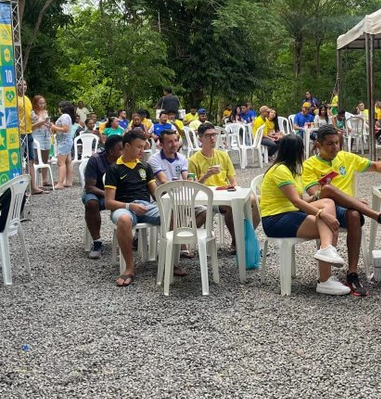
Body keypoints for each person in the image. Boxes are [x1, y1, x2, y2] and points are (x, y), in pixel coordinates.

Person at [302, 125, 381, 297]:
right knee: (328, 191)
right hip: (325, 209)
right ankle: (378, 217)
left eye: (337, 143)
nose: (335, 147)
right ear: (318, 145)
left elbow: (376, 166)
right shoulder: (309, 165)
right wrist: (349, 200)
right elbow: (316, 195)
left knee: (354, 214)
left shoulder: (346, 157)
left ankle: (352, 273)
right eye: (330, 144)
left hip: (348, 210)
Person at [260, 134, 348, 295]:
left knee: (328, 203)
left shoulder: (293, 170)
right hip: (275, 219)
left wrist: (319, 194)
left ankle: (326, 249)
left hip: (290, 213)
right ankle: (325, 279)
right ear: (297, 151)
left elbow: (303, 200)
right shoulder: (280, 170)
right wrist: (322, 214)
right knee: (329, 223)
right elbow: (296, 202)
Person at [104, 130, 180, 287]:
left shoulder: (144, 167)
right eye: (138, 147)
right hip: (123, 207)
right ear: (127, 146)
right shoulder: (114, 169)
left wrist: (172, 192)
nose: (142, 150)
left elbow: (155, 193)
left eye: (143, 147)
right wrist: (129, 206)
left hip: (146, 206)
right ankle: (129, 268)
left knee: (173, 214)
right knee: (124, 219)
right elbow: (109, 202)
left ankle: (169, 262)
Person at [189, 123, 259, 252]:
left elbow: (233, 180)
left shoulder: (223, 155)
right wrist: (206, 175)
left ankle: (245, 237)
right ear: (200, 139)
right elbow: (193, 187)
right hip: (207, 197)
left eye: (214, 135)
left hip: (224, 191)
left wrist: (233, 187)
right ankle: (237, 242)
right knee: (230, 207)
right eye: (208, 136)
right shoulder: (194, 160)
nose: (212, 139)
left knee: (257, 200)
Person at [84, 135, 123, 259]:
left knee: (139, 198)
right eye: (121, 149)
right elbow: (90, 187)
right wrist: (107, 195)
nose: (124, 152)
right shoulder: (95, 160)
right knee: (91, 203)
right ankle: (97, 242)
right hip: (98, 193)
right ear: (111, 151)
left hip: (119, 193)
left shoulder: (126, 160)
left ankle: (137, 237)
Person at [16, 79, 41, 194]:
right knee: (20, 161)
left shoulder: (27, 99)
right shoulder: (14, 98)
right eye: (20, 84)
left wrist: (36, 118)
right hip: (19, 134)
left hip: (29, 132)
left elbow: (30, 114)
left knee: (31, 160)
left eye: (25, 84)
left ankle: (33, 186)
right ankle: (21, 188)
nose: (23, 87)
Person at [31, 95, 53, 190]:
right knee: (36, 158)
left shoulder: (45, 112)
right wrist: (40, 123)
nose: (42, 105)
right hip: (37, 134)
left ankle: (45, 179)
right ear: (36, 103)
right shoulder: (33, 113)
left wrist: (49, 124)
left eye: (43, 103)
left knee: (45, 158)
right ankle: (37, 181)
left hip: (46, 134)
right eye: (40, 103)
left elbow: (48, 123)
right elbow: (31, 127)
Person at [52, 101, 75, 189]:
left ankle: (60, 183)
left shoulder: (65, 116)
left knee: (60, 162)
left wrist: (53, 127)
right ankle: (68, 181)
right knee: (68, 161)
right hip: (67, 140)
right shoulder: (68, 116)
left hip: (64, 141)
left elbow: (65, 129)